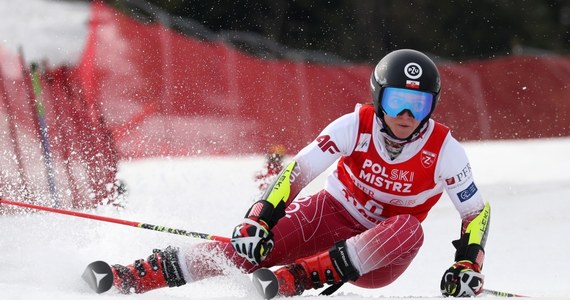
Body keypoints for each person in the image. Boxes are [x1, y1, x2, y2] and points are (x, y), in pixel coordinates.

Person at [106, 49, 490, 298]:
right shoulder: (353, 126)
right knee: (247, 251)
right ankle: (138, 275)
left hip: (380, 256)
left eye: (418, 106)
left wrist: (468, 264)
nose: (407, 117)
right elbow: (298, 171)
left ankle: (299, 277)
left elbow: (476, 212)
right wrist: (259, 219)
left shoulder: (445, 151)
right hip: (333, 214)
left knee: (409, 227)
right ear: (379, 99)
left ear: (432, 107)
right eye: (398, 102)